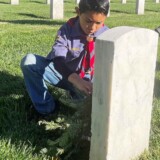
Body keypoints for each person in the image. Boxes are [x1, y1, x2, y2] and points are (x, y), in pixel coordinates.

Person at [20, 0, 110, 116]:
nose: (92, 27)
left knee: (87, 110)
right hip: (65, 75)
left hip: (91, 84)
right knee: (29, 62)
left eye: (99, 23)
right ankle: (47, 109)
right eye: (88, 21)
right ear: (78, 12)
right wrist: (76, 80)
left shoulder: (108, 36)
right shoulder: (67, 30)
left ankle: (76, 95)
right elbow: (58, 59)